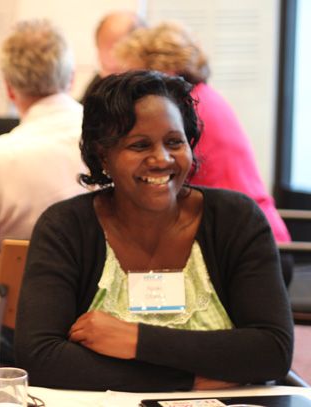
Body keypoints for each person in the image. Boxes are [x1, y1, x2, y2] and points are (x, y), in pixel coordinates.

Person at [15, 70, 293, 391]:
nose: (161, 159)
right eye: (140, 145)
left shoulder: (236, 219)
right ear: (103, 155)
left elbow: (273, 350)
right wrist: (187, 380)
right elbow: (40, 358)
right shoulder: (65, 227)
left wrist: (135, 339)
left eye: (174, 142)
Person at [113, 21, 293, 280]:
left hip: (247, 249)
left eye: (135, 75)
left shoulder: (182, 112)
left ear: (164, 69)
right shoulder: (204, 97)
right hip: (264, 240)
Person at [0, 19, 87, 364]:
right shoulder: (111, 142)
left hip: (16, 333)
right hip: (99, 318)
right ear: (72, 78)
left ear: (9, 88)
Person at [80, 11, 145, 102]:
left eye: (119, 70)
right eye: (105, 68)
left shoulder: (155, 96)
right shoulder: (96, 87)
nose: (111, 81)